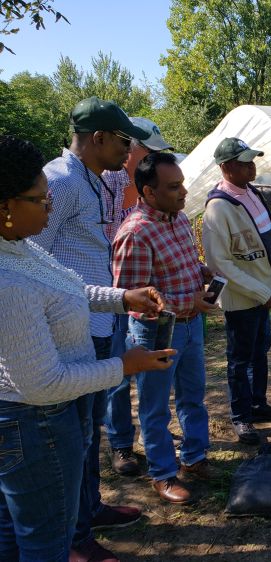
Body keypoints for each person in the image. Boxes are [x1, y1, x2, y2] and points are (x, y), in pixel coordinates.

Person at [0, 135, 175, 561]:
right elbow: (44, 384)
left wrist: (121, 297)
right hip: (37, 423)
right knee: (45, 541)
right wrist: (124, 366)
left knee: (14, 530)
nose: (49, 207)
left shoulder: (19, 248)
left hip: (31, 422)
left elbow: (68, 287)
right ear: (5, 207)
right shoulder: (10, 283)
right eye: (40, 200)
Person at [29, 96, 152, 562]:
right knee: (74, 437)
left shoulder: (93, 181)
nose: (128, 150)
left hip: (102, 318)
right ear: (98, 138)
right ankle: (76, 538)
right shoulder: (59, 182)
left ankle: (90, 509)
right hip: (73, 328)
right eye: (124, 141)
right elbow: (32, 258)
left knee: (89, 429)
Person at [112, 152, 216, 504]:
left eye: (182, 183)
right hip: (156, 332)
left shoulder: (179, 218)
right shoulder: (135, 234)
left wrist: (200, 271)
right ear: (149, 192)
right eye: (174, 187)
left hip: (191, 325)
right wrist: (190, 302)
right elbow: (132, 300)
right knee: (155, 407)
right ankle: (162, 473)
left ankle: (194, 456)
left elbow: (184, 260)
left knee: (193, 395)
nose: (184, 191)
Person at [202, 137, 271, 446]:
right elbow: (220, 263)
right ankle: (241, 417)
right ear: (226, 168)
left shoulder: (250, 192)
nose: (252, 166)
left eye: (252, 160)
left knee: (259, 351)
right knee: (240, 359)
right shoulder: (217, 208)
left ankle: (257, 403)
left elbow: (255, 237)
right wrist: (259, 291)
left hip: (262, 291)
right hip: (243, 298)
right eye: (244, 162)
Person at [102, 118, 175, 477]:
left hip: (132, 287)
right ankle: (120, 445)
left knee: (135, 363)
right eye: (149, 150)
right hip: (107, 289)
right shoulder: (105, 179)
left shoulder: (145, 189)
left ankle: (148, 437)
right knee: (118, 369)